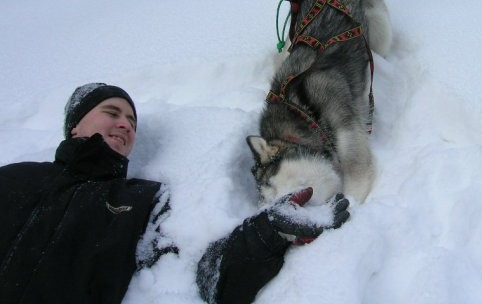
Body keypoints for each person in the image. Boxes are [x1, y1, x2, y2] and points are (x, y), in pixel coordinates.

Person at [0, 83, 350, 304]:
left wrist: (267, 231)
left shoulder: (140, 201)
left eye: (132, 122)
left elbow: (203, 280)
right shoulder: (15, 179)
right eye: (111, 113)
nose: (125, 123)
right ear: (75, 124)